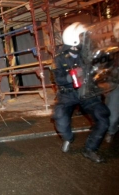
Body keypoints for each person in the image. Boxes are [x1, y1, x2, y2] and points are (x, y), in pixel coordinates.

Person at [52, 22, 110, 163]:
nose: (86, 39)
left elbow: (103, 66)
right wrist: (70, 76)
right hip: (68, 93)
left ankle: (90, 149)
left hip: (87, 91)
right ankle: (68, 138)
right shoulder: (59, 57)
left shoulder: (89, 53)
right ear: (74, 39)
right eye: (82, 37)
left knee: (103, 119)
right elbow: (57, 78)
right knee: (59, 117)